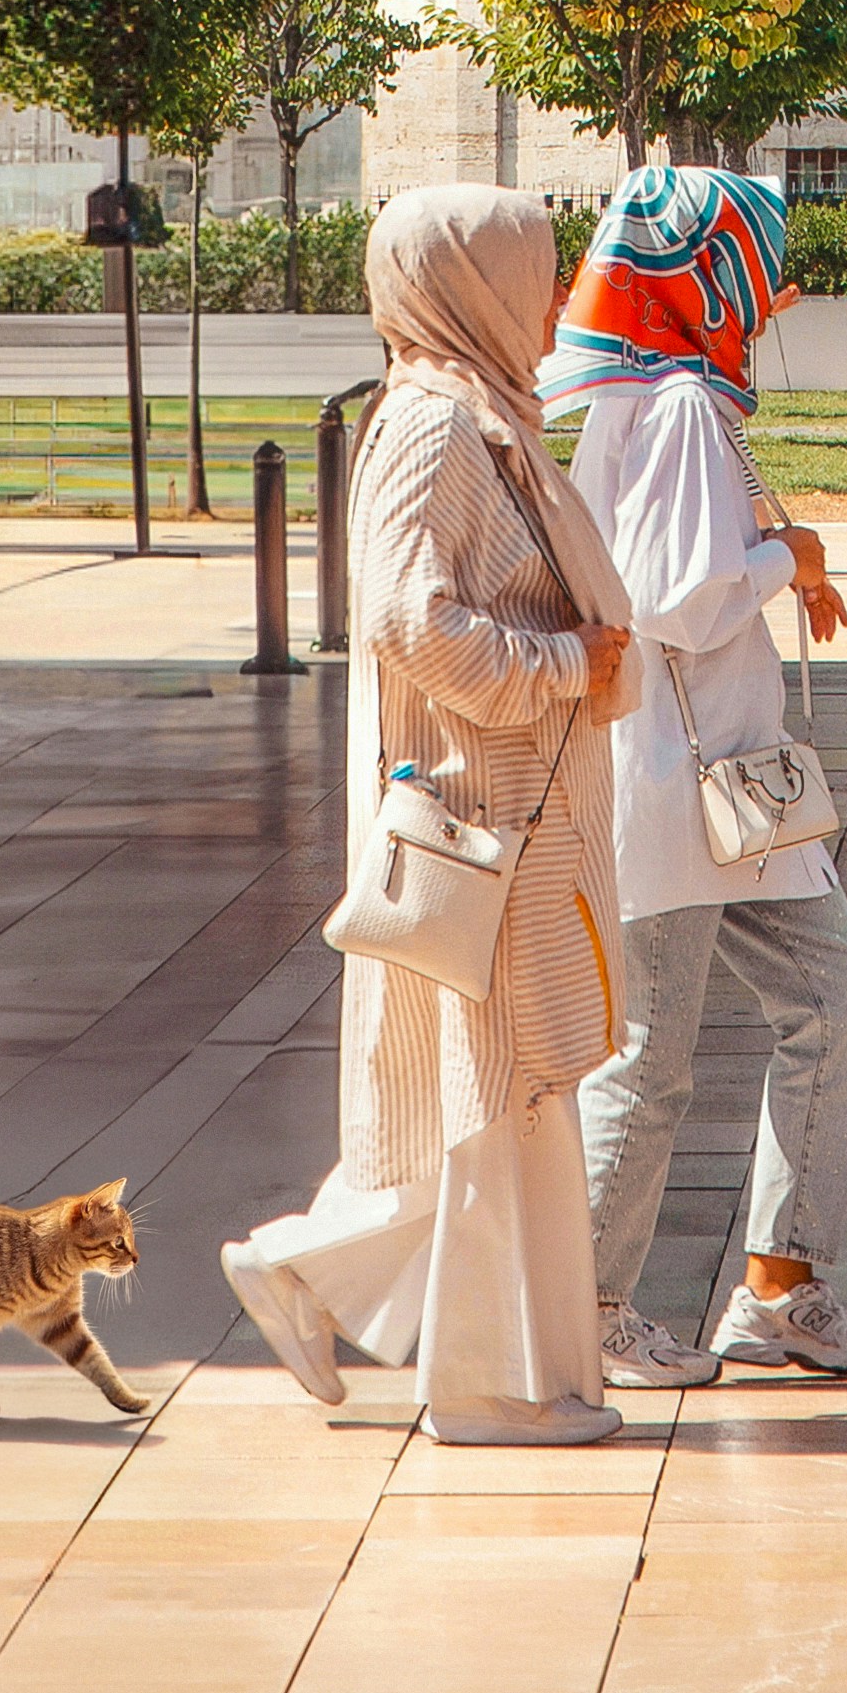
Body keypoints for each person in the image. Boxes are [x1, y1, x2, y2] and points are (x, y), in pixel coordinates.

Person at [221, 187, 636, 1447]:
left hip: (513, 814)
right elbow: (407, 620)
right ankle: (488, 1387)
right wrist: (567, 667)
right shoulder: (437, 429)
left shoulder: (485, 418)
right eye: (537, 271)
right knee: (494, 1094)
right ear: (470, 283)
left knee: (502, 1091)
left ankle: (318, 1271)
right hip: (479, 816)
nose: (559, 297)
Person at [540, 158, 847, 1388]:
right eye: (755, 257)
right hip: (678, 791)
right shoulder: (681, 404)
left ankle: (781, 1286)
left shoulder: (664, 397)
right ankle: (585, 1310)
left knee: (838, 1007)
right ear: (710, 274)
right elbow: (678, 601)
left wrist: (775, 557)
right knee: (650, 1061)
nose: (773, 282)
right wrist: (783, 555)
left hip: (726, 795)